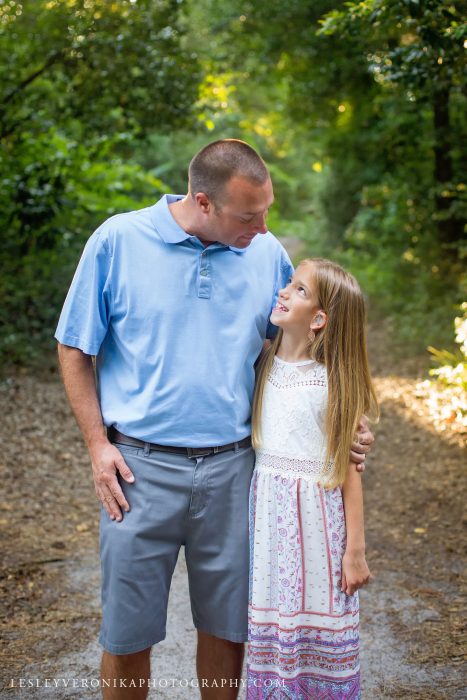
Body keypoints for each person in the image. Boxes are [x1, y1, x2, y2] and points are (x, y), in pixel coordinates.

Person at [55, 139, 374, 700]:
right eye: (249, 215)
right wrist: (96, 446)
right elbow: (75, 347)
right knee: (127, 636)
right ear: (204, 202)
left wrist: (342, 423)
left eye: (267, 210)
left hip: (235, 473)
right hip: (138, 471)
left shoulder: (266, 252)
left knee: (227, 631)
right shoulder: (118, 242)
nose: (263, 225)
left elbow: (294, 358)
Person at [247, 257, 379, 699]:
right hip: (270, 526)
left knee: (317, 628)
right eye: (289, 283)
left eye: (299, 290)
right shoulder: (261, 365)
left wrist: (355, 551)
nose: (284, 292)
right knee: (275, 627)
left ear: (320, 319)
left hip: (318, 529)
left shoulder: (331, 383)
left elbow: (348, 472)